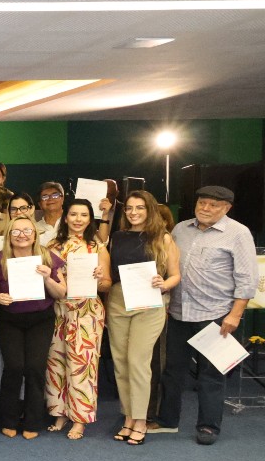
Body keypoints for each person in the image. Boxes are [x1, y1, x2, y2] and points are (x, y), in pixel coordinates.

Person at [155, 185, 258, 445]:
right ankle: (167, 420)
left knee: (211, 375)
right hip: (178, 313)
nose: (206, 208)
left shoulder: (238, 233)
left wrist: (235, 315)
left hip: (215, 314)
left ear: (226, 208)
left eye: (213, 205)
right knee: (172, 371)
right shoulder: (180, 229)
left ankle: (208, 427)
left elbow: (247, 278)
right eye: (202, 203)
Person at [0, 216, 66, 439]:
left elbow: (61, 293)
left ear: (35, 234)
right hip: (9, 319)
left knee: (35, 368)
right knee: (14, 367)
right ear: (8, 235)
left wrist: (47, 279)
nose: (22, 235)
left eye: (27, 230)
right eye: (16, 231)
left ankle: (33, 420)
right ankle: (8, 418)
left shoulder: (47, 257)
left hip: (40, 319)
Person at [107, 191, 180, 445]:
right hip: (118, 301)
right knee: (121, 362)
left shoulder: (163, 237)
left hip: (149, 302)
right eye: (129, 208)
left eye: (139, 207)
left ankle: (140, 420)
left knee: (138, 362)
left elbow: (175, 275)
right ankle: (128, 417)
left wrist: (164, 284)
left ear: (150, 210)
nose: (133, 212)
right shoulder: (118, 237)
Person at [44, 199, 112, 440]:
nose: (78, 219)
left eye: (84, 215)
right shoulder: (52, 246)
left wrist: (100, 278)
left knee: (82, 366)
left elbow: (107, 284)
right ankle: (59, 412)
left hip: (87, 314)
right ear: (66, 217)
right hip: (59, 310)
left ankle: (80, 419)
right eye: (74, 214)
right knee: (56, 363)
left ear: (90, 219)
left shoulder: (97, 246)